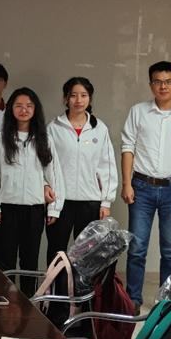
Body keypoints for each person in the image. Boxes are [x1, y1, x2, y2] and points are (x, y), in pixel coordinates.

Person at [121, 61, 171, 313]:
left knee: (170, 251)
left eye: (168, 81)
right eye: (157, 81)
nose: (163, 86)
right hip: (141, 187)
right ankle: (133, 300)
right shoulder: (138, 112)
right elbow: (127, 147)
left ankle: (165, 303)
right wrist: (126, 183)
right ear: (150, 84)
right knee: (137, 248)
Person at [0, 87, 63, 297]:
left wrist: (54, 208)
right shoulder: (1, 139)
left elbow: (53, 174)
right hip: (6, 209)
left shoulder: (44, 139)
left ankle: (29, 302)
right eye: (19, 106)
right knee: (5, 259)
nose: (24, 110)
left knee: (30, 260)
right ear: (11, 109)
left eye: (29, 106)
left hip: (34, 209)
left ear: (35, 109)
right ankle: (5, 300)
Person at [46, 77, 117, 264]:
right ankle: (56, 284)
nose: (78, 100)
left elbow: (107, 166)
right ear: (65, 99)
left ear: (90, 99)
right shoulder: (54, 128)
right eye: (73, 95)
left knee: (87, 254)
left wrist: (106, 202)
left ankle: (82, 285)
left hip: (90, 201)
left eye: (84, 95)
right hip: (60, 202)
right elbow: (45, 163)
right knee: (56, 250)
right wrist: (47, 187)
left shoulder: (99, 128)